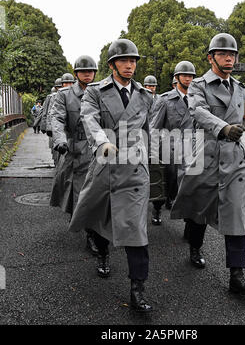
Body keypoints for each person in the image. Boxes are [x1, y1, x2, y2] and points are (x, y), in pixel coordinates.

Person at [171, 33, 245, 295]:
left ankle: (236, 275)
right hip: (206, 156)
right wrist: (223, 128)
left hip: (234, 159)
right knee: (199, 210)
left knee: (235, 214)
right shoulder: (199, 85)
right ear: (211, 58)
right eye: (223, 54)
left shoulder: (240, 88)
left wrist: (232, 134)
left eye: (232, 54)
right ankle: (195, 247)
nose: (229, 58)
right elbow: (197, 111)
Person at [69, 39, 153, 312]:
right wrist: (102, 141)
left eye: (134, 61)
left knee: (136, 231)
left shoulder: (145, 95)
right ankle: (103, 255)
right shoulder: (95, 92)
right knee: (102, 221)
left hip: (135, 172)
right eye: (124, 61)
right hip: (105, 164)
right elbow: (89, 118)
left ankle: (137, 289)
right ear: (112, 65)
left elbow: (149, 132)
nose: (130, 65)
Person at [50, 56, 99, 256]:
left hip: (98, 146)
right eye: (83, 71)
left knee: (97, 192)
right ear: (77, 73)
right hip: (74, 148)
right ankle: (89, 231)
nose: (87, 74)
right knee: (77, 191)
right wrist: (60, 140)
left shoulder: (100, 92)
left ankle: (93, 231)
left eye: (91, 70)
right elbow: (57, 117)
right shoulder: (64, 95)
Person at [150, 61, 196, 226]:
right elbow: (154, 127)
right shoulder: (165, 99)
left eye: (191, 76)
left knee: (192, 183)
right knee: (166, 180)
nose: (188, 79)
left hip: (192, 146)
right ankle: (157, 207)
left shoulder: (198, 99)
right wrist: (153, 151)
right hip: (170, 147)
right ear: (177, 77)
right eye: (184, 75)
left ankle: (189, 221)